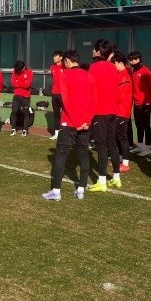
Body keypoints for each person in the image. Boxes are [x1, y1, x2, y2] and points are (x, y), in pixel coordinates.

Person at [42, 50, 97, 201]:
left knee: (61, 155)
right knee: (83, 154)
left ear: (66, 61)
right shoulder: (90, 76)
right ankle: (81, 189)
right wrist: (87, 121)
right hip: (84, 124)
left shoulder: (64, 75)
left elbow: (66, 101)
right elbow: (94, 101)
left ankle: (56, 191)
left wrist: (79, 122)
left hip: (70, 123)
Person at [87, 38, 121, 192]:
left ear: (99, 51)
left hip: (100, 111)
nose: (92, 50)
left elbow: (90, 90)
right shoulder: (114, 68)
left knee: (101, 146)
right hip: (112, 110)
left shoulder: (94, 67)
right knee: (112, 143)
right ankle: (116, 177)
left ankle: (101, 181)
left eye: (94, 48)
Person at [128, 50, 151, 156]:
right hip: (136, 102)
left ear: (139, 59)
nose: (132, 62)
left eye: (134, 59)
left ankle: (147, 149)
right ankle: (140, 146)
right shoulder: (133, 71)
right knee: (138, 125)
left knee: (146, 125)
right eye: (131, 60)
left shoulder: (145, 71)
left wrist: (150, 103)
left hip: (145, 103)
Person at [113, 51, 132, 173]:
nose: (113, 66)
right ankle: (120, 158)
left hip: (122, 112)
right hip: (118, 111)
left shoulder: (124, 76)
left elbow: (119, 96)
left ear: (120, 63)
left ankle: (125, 162)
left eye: (114, 63)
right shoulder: (120, 74)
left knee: (122, 137)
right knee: (118, 137)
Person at [9, 60, 33, 137]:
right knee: (14, 112)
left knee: (26, 113)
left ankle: (25, 130)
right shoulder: (14, 71)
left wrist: (18, 82)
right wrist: (22, 83)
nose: (17, 72)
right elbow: (13, 83)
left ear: (23, 68)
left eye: (19, 70)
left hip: (25, 96)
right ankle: (13, 129)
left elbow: (27, 85)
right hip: (16, 96)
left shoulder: (29, 72)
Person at [49, 50, 64, 140]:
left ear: (61, 57)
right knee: (56, 114)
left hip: (63, 94)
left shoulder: (65, 67)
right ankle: (56, 133)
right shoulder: (52, 67)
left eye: (56, 56)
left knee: (66, 113)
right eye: (53, 56)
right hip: (55, 93)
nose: (54, 58)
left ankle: (66, 133)